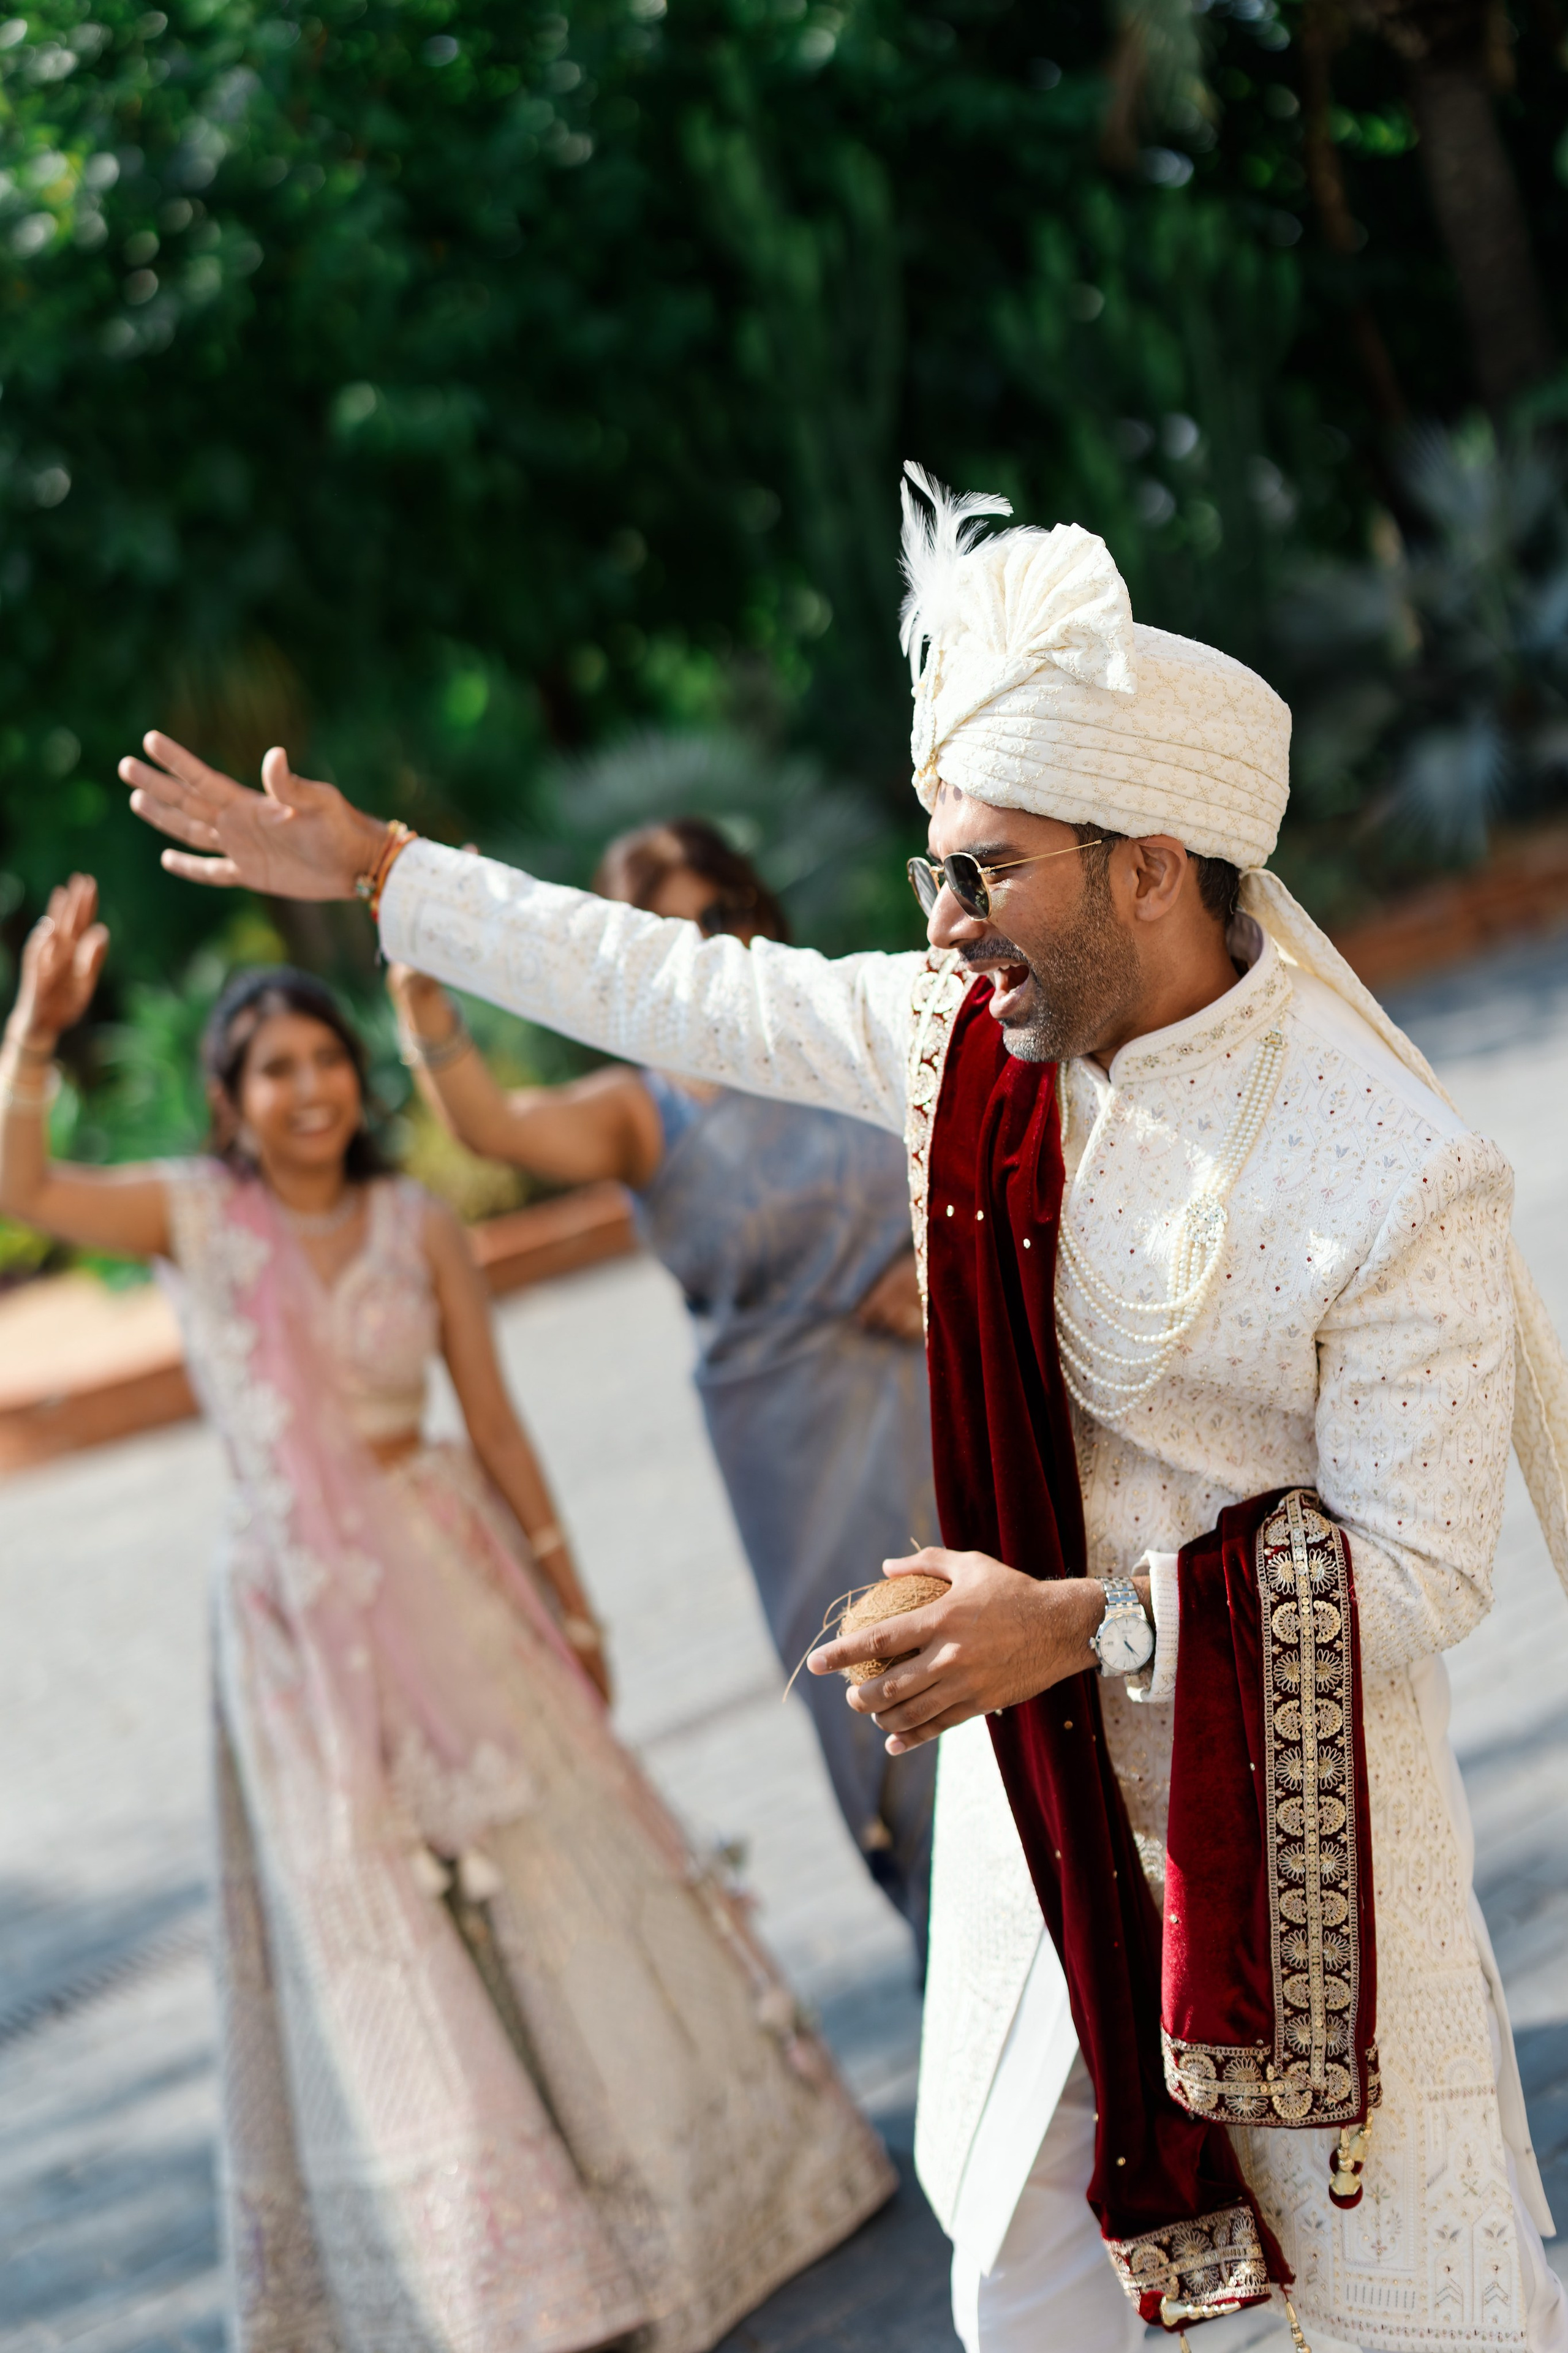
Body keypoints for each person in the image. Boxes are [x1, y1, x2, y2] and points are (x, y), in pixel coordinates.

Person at [118, 464, 1568, 2353]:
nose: (949, 923)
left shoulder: (1392, 1173)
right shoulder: (965, 1050)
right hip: (1045, 1822)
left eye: (989, 870)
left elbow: (1427, 1565)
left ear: (1150, 864)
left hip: (1306, 1851)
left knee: (1393, 2312)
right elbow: (679, 987)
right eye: (933, 871)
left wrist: (1085, 1625)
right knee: (1030, 2294)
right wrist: (391, 869)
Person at [0, 875, 893, 2353]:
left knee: (552, 1873)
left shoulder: (415, 1223)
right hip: (293, 1625)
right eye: (274, 1069)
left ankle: (677, 2201)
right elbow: (26, 1188)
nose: (308, 1089)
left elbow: (495, 1422)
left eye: (326, 1059)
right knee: (376, 1926)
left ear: (358, 1080)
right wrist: (33, 1032)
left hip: (451, 1579)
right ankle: (496, 2276)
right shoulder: (194, 1216)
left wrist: (574, 1602)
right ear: (228, 1098)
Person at [387, 813, 939, 1952]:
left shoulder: (841, 1031)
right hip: (797, 1457)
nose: (705, 945)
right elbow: (494, 1126)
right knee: (891, 1720)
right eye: (667, 929)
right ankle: (954, 1968)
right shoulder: (646, 1111)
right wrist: (424, 992)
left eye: (720, 915)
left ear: (757, 911)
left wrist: (942, 1268)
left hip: (950, 1402)